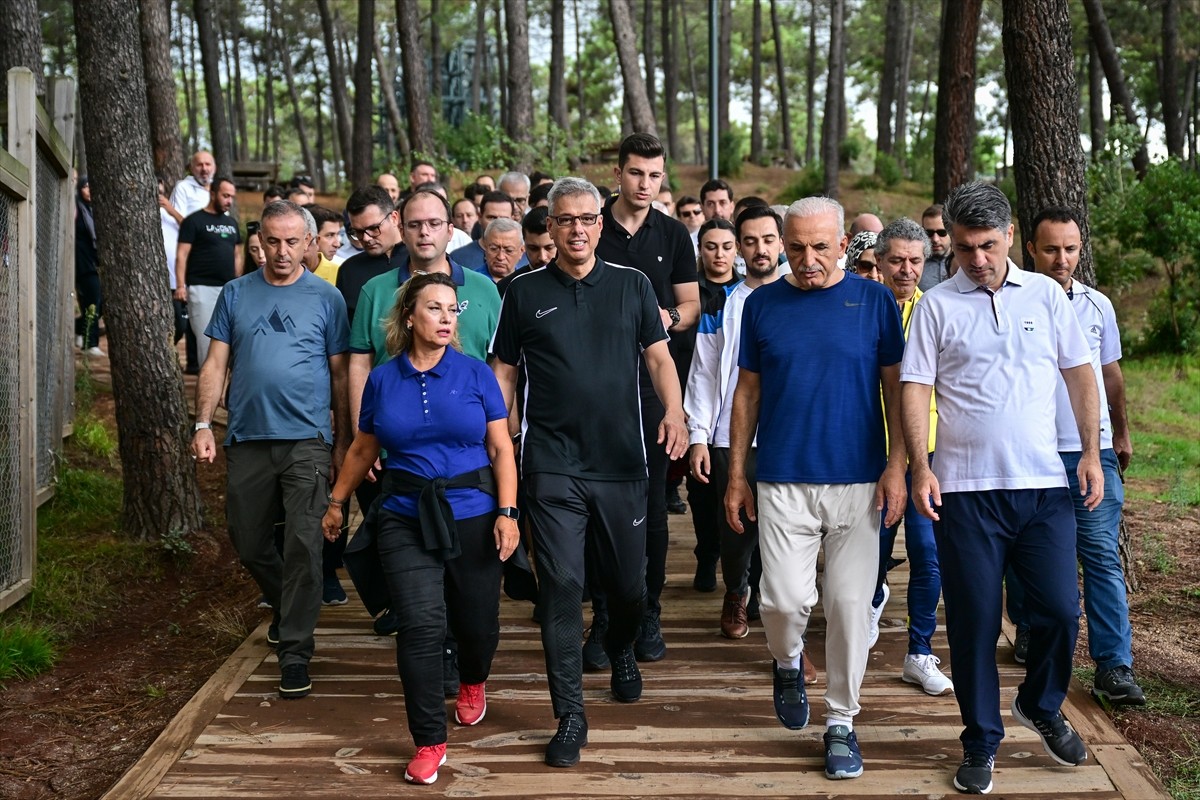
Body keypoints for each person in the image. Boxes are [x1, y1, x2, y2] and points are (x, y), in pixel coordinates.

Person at [900, 182, 1101, 795]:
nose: (977, 259)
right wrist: (920, 466)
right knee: (974, 624)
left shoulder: (1046, 295)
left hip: (1043, 487)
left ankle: (1040, 704)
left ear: (1011, 236)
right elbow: (915, 386)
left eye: (988, 245)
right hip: (965, 492)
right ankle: (981, 741)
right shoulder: (937, 306)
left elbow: (1080, 373)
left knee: (1061, 612)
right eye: (965, 248)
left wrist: (1090, 452)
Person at [490, 177, 687, 769]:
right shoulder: (523, 291)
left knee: (629, 590)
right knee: (561, 588)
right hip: (551, 464)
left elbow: (659, 358)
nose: (576, 229)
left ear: (601, 224)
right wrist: (502, 434)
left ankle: (620, 643)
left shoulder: (633, 285)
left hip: (623, 461)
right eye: (565, 220)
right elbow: (504, 372)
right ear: (549, 227)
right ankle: (570, 714)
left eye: (586, 219)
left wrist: (675, 412)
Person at [725, 196, 907, 781]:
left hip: (860, 479)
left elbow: (897, 389)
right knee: (782, 602)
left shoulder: (875, 301)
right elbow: (747, 393)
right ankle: (787, 662)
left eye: (820, 248)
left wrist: (899, 464)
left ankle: (841, 724)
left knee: (850, 607)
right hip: (783, 476)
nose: (808, 260)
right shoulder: (761, 304)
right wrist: (736, 475)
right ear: (782, 244)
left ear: (843, 245)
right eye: (796, 248)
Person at [322, 270, 518, 786]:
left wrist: (508, 513)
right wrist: (337, 502)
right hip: (404, 514)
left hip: (473, 512)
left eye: (453, 310)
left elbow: (501, 448)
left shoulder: (476, 374)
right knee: (420, 625)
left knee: (477, 623)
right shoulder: (384, 378)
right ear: (409, 317)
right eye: (435, 308)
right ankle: (429, 740)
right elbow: (364, 448)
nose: (447, 318)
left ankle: (473, 679)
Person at [191, 199, 350, 701]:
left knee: (304, 543)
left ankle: (296, 651)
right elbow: (215, 363)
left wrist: (343, 443)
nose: (281, 252)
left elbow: (341, 375)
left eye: (291, 242)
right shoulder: (236, 293)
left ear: (309, 243)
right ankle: (288, 605)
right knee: (248, 539)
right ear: (259, 241)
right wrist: (202, 423)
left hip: (307, 440)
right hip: (247, 437)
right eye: (272, 241)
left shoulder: (327, 297)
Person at [1008, 206, 1143, 705]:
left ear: (1080, 249)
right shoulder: (1013, 301)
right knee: (1026, 551)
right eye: (1050, 249)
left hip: (1091, 451)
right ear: (1031, 250)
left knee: (1100, 554)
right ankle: (1026, 626)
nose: (1061, 259)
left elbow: (1111, 375)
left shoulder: (1096, 306)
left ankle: (1114, 665)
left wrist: (1119, 434)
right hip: (1031, 453)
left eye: (1069, 249)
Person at [592, 133, 699, 666]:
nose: (645, 184)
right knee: (595, 505)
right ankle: (604, 615)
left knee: (652, 503)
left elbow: (691, 304)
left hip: (656, 386)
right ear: (618, 174)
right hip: (596, 387)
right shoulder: (593, 226)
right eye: (636, 173)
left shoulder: (674, 233)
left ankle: (648, 610)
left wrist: (667, 318)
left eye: (655, 175)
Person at [687, 207, 784, 640]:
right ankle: (735, 592)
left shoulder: (800, 295)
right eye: (751, 241)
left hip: (786, 432)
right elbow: (704, 373)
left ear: (781, 242)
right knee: (736, 523)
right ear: (740, 248)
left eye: (768, 239)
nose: (760, 249)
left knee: (781, 521)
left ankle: (770, 593)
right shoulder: (723, 304)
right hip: (733, 432)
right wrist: (699, 436)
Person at [866, 218, 953, 697]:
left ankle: (919, 651)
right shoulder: (861, 307)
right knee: (871, 551)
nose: (906, 270)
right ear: (879, 261)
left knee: (927, 552)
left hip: (927, 450)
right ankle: (870, 602)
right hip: (870, 450)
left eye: (915, 261)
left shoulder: (936, 310)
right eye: (896, 260)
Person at [676, 218, 740, 596]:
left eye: (726, 246)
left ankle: (739, 570)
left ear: (736, 249)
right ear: (700, 249)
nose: (719, 254)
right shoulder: (688, 291)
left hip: (729, 400)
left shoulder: (746, 292)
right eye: (711, 246)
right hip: (689, 392)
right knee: (699, 488)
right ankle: (707, 553)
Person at [175, 176, 243, 367]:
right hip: (201, 288)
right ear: (212, 194)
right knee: (206, 342)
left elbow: (237, 254)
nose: (229, 201)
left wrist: (239, 282)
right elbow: (182, 255)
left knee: (231, 340)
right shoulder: (193, 221)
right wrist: (180, 286)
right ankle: (208, 382)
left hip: (229, 289)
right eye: (225, 196)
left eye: (232, 197)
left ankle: (227, 384)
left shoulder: (232, 223)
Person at [336, 186, 408, 326]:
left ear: (394, 218)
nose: (366, 238)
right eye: (358, 232)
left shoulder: (421, 260)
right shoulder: (349, 270)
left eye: (374, 228)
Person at [74, 175, 104, 357]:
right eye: (85, 186)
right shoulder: (76, 207)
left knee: (101, 303)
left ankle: (78, 328)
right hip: (82, 263)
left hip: (95, 263)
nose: (89, 190)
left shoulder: (95, 209)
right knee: (93, 300)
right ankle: (90, 343)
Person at [480, 217, 526, 283]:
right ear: (485, 247)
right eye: (494, 249)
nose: (500, 257)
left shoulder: (526, 282)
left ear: (521, 251)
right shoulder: (470, 282)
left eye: (509, 250)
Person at [918, 204, 952, 290]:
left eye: (942, 233)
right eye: (929, 233)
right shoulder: (914, 263)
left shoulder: (964, 262)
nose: (935, 239)